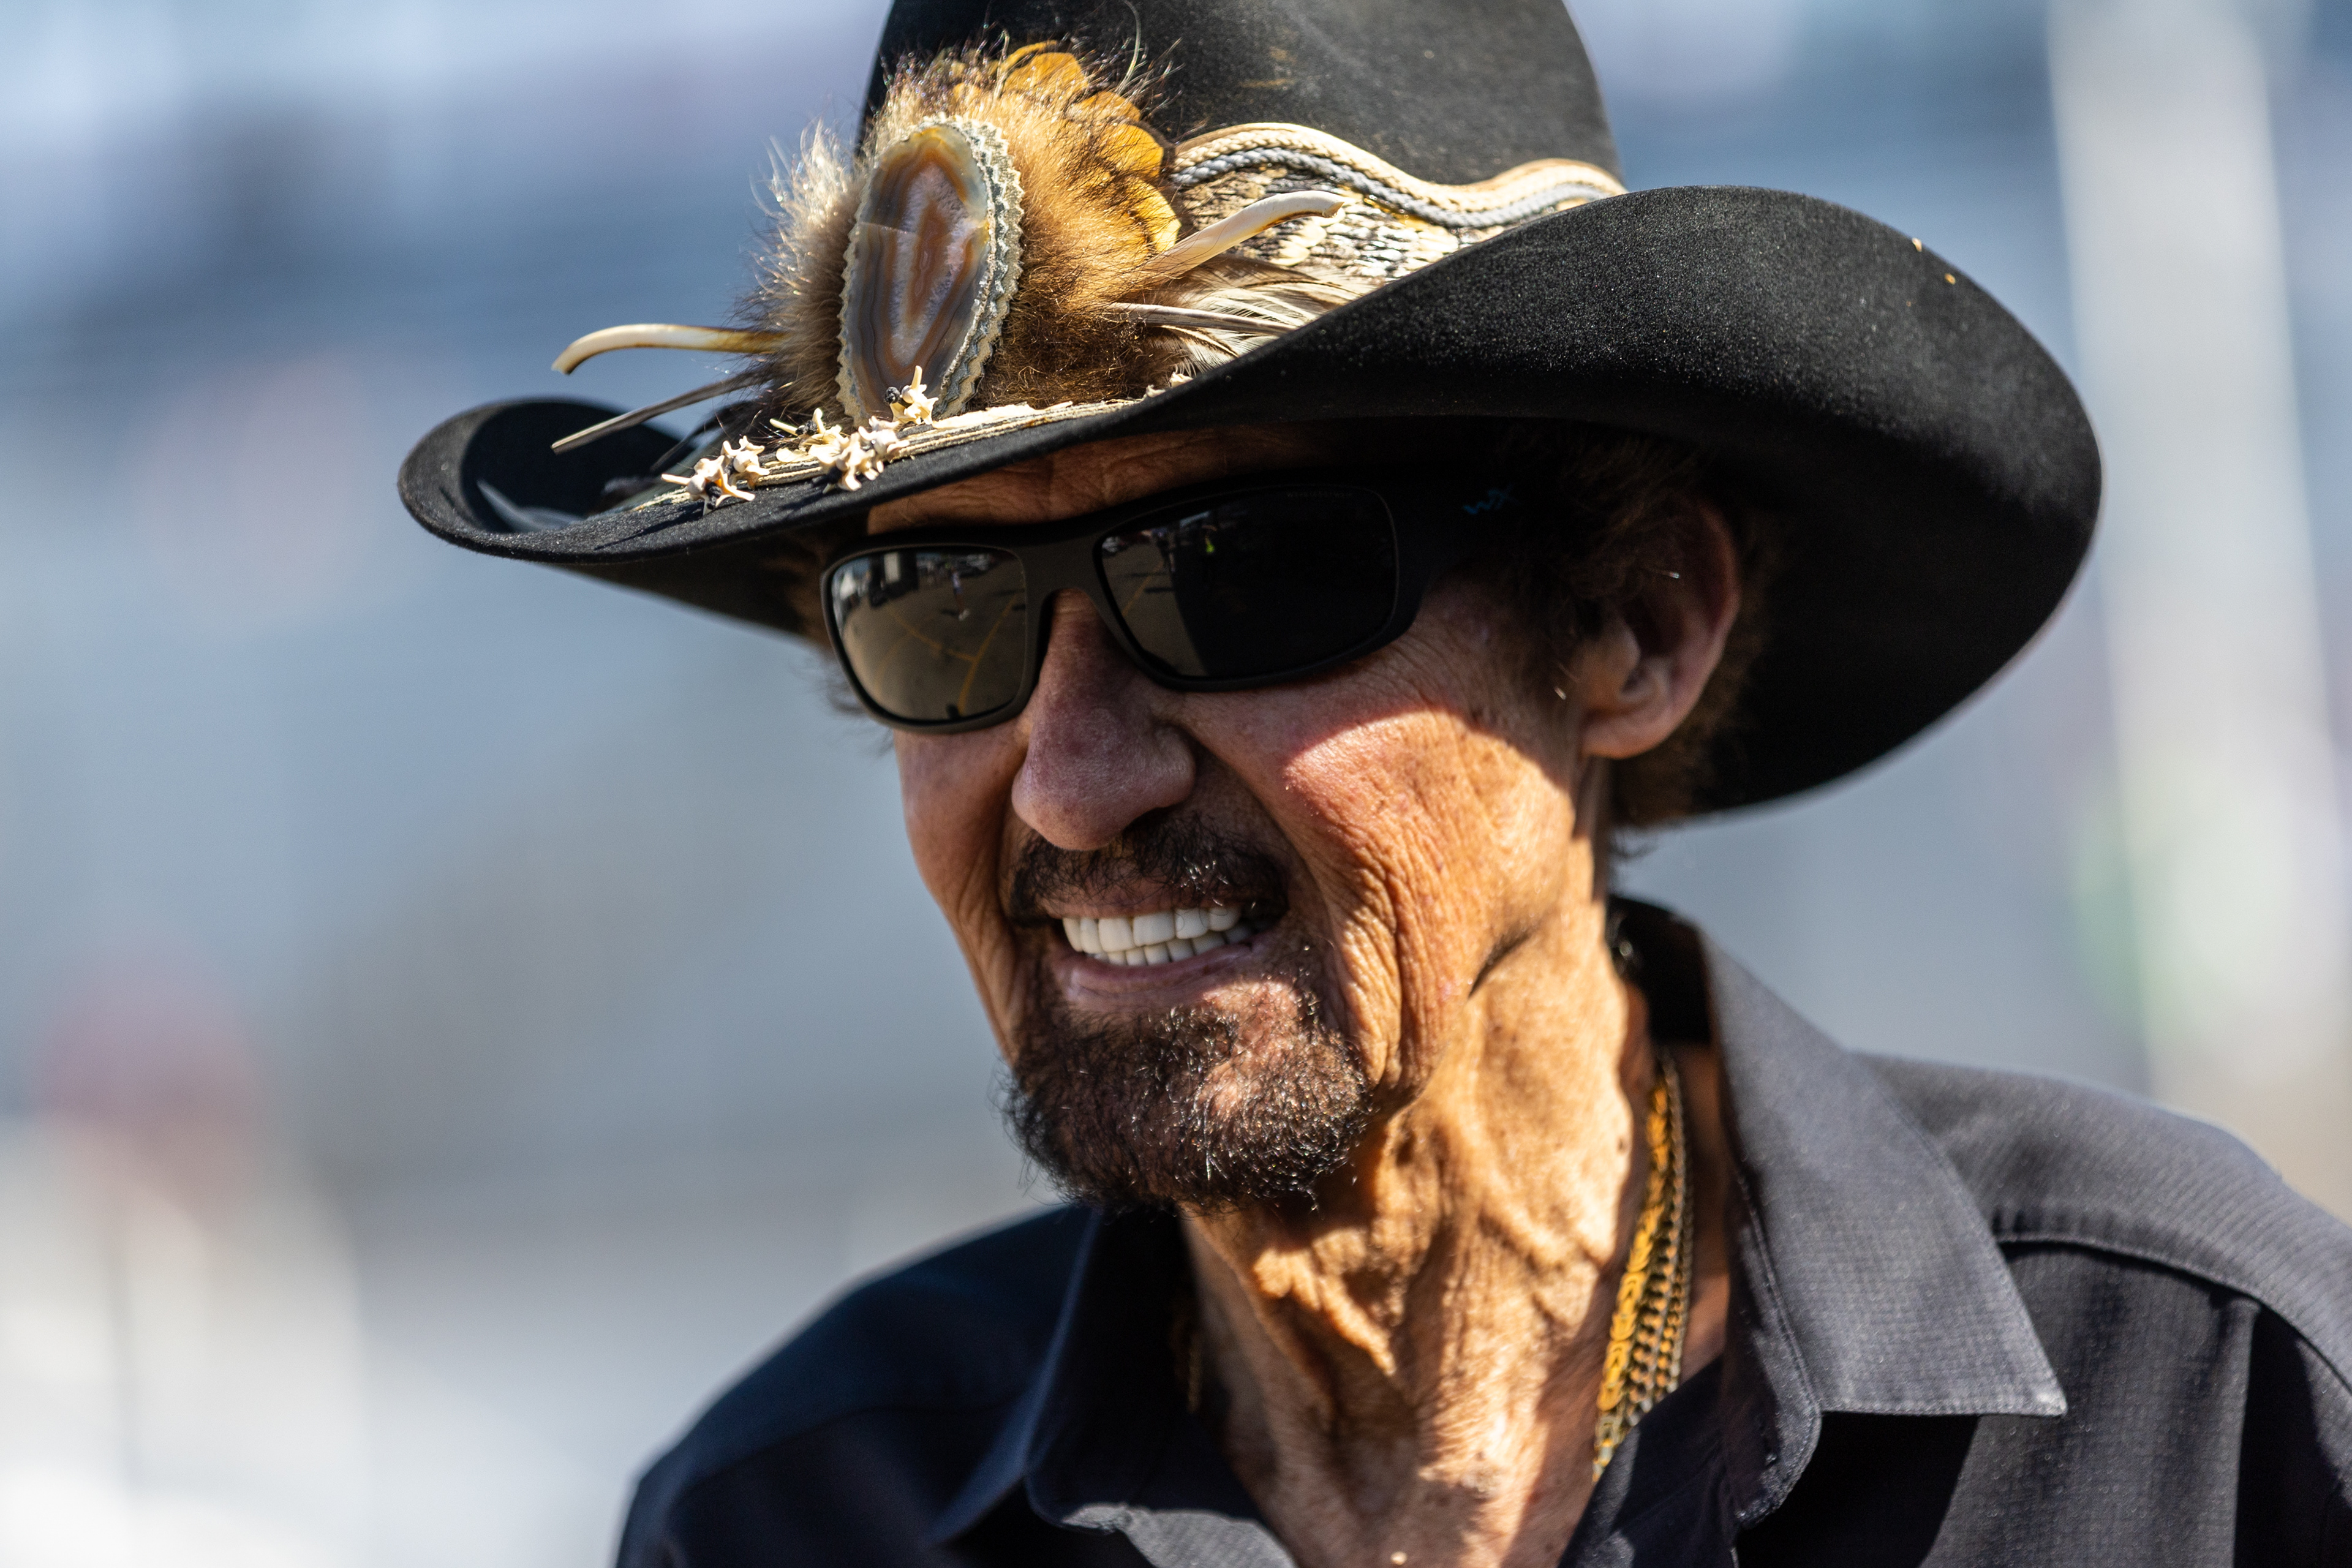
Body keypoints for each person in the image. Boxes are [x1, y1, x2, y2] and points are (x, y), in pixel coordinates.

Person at [399, 1, 2352, 1562]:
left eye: (1235, 576)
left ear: (1636, 626)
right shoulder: (795, 1526)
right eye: (936, 615)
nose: (1071, 785)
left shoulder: (2200, 1409)